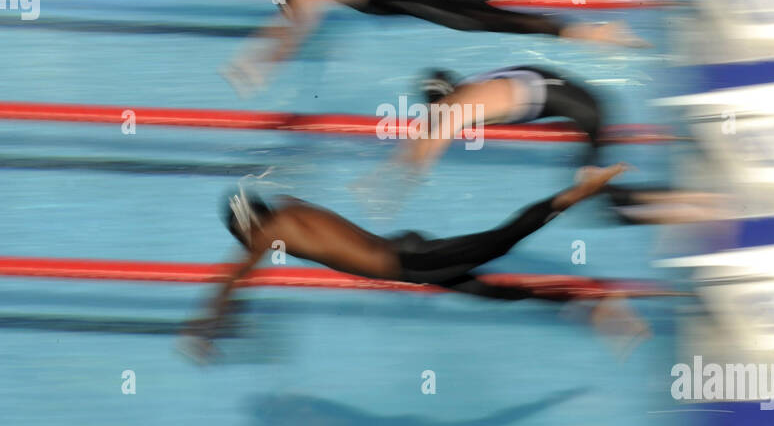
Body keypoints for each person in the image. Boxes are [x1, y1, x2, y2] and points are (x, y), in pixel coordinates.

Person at [181, 162, 637, 358]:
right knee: (490, 292)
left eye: (242, 236)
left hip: (410, 262)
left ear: (247, 228)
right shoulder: (285, 209)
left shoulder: (270, 231)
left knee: (506, 238)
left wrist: (207, 327)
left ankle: (584, 188)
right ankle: (590, 306)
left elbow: (231, 280)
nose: (246, 245)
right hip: (409, 253)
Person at [223, 0, 650, 94]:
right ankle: (597, 27)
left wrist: (259, 65)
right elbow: (291, 23)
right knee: (504, 10)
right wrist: (256, 59)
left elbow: (295, 29)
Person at [391, 66, 726, 224]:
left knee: (598, 203)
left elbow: (435, 140)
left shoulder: (473, 102)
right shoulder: (480, 83)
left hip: (588, 114)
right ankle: (697, 201)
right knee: (595, 198)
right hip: (590, 102)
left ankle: (697, 205)